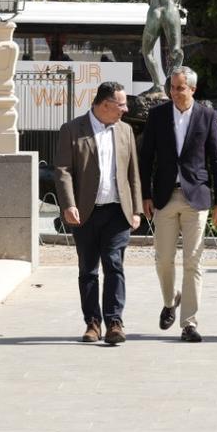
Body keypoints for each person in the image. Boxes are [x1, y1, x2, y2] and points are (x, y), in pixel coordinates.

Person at [139, 66, 217, 343]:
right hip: (164, 196)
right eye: (173, 88)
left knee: (193, 261)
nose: (176, 92)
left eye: (181, 88)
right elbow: (146, 158)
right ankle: (170, 300)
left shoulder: (207, 115)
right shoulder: (157, 116)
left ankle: (189, 322)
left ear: (193, 89)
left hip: (196, 197)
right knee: (163, 259)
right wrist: (145, 195)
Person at [55, 82, 143, 346]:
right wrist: (68, 204)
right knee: (88, 269)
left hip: (118, 211)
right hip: (85, 213)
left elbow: (133, 173)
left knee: (114, 264)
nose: (125, 110)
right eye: (121, 105)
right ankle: (92, 323)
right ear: (104, 105)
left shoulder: (125, 130)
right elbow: (62, 170)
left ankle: (115, 322)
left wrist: (136, 208)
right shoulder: (72, 130)